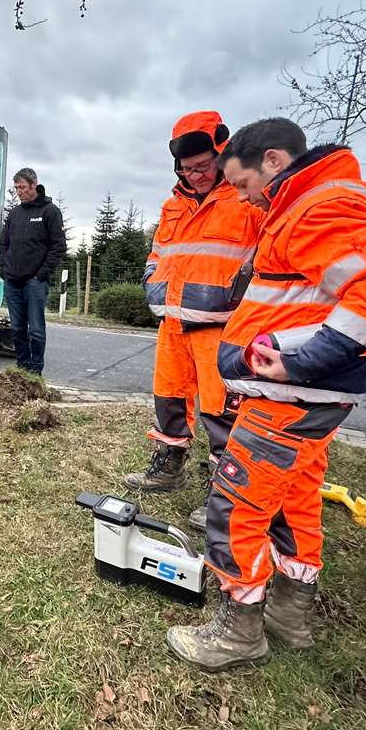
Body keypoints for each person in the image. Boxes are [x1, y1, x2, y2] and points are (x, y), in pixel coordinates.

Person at [165, 118, 366, 672]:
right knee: (295, 498)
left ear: (275, 162)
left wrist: (305, 360)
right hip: (307, 400)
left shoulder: (319, 207)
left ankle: (239, 632)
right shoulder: (308, 203)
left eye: (241, 183)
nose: (242, 196)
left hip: (290, 397)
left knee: (235, 505)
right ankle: (290, 613)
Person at [123, 111, 264, 535]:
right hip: (173, 323)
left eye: (202, 166)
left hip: (223, 327)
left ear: (222, 155)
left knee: (221, 411)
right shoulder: (172, 205)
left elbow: (266, 256)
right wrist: (152, 282)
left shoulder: (247, 200)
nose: (195, 174)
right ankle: (168, 466)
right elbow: (158, 254)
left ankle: (224, 492)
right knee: (168, 397)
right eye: (186, 168)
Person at [0, 167, 66, 375]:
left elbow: (58, 246)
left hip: (35, 281)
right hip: (12, 280)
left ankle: (35, 372)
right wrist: (3, 267)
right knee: (17, 328)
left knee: (35, 329)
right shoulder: (14, 214)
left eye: (22, 187)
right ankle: (21, 368)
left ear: (34, 185)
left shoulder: (50, 211)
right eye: (16, 188)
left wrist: (42, 274)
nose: (19, 192)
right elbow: (4, 243)